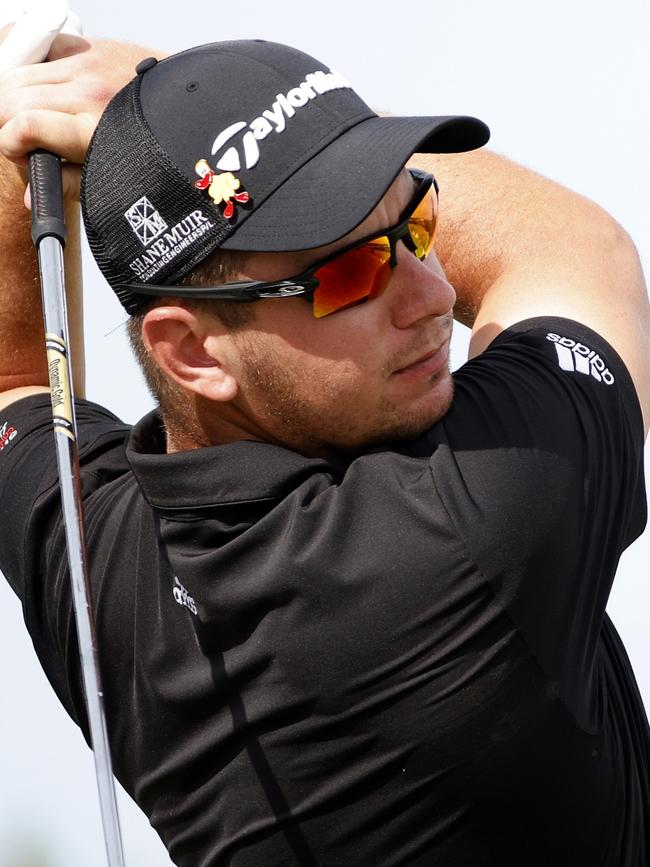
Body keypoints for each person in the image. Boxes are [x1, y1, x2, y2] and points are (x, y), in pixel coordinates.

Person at [0, 29, 648, 867]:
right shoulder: (470, 527)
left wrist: (21, 149)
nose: (436, 292)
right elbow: (576, 250)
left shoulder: (102, 565)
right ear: (193, 351)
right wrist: (143, 90)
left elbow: (16, 385)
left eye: (417, 224)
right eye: (348, 276)